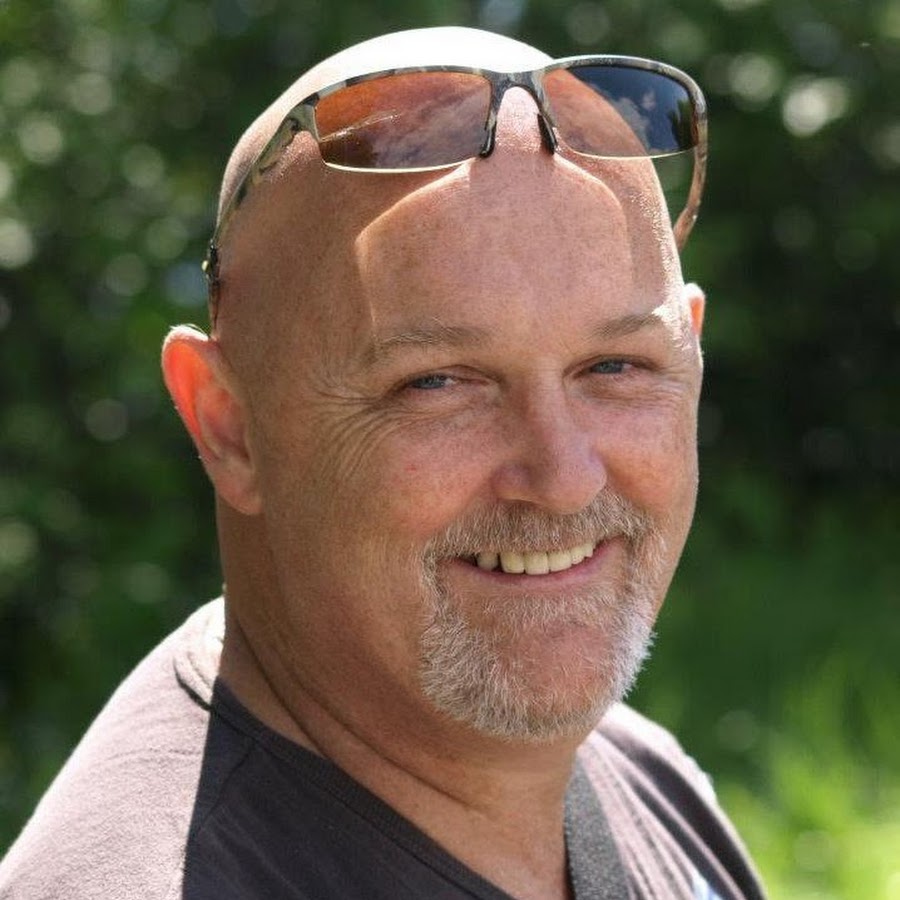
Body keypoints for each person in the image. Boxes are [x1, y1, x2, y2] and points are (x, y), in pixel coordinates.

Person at [0, 26, 765, 900]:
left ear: (690, 353)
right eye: (438, 382)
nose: (563, 479)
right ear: (228, 424)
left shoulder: (640, 778)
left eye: (616, 367)